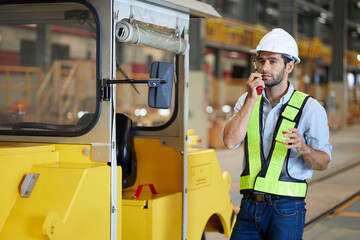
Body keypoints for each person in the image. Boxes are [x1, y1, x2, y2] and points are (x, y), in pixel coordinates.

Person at [223, 28, 332, 240]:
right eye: (261, 60)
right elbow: (229, 142)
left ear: (289, 66)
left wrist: (304, 148)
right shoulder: (246, 102)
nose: (264, 67)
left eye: (273, 61)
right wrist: (251, 100)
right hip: (248, 207)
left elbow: (323, 162)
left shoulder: (310, 108)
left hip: (286, 211)